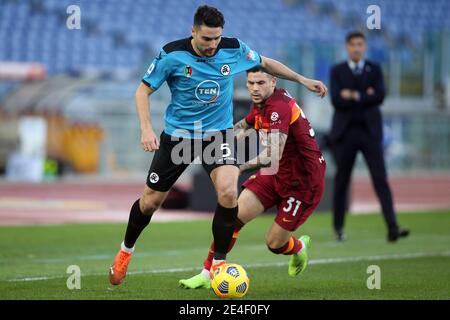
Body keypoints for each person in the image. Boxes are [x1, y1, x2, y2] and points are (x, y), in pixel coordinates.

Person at [109, 5, 327, 286]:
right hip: (180, 137)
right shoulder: (172, 54)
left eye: (216, 38)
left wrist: (301, 79)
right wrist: (146, 128)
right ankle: (126, 251)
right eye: (206, 39)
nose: (213, 45)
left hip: (217, 136)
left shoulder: (233, 48)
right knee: (151, 202)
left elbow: (266, 62)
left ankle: (219, 265)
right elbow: (143, 90)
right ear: (193, 32)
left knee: (227, 193)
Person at [179, 67, 326, 289]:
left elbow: (272, 155)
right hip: (275, 175)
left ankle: (298, 248)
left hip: (302, 183)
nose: (254, 89)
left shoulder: (278, 108)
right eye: (250, 83)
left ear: (273, 82)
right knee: (233, 218)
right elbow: (245, 125)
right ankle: (208, 273)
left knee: (274, 243)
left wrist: (237, 167)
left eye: (260, 83)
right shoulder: (261, 103)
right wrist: (216, 140)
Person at [328, 31, 409, 242]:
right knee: (342, 181)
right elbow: (337, 100)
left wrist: (353, 95)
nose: (357, 48)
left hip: (370, 133)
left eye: (360, 44)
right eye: (353, 44)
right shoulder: (337, 70)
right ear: (347, 47)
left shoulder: (375, 69)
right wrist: (366, 95)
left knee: (380, 179)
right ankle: (338, 228)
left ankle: (392, 227)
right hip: (345, 134)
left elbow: (380, 96)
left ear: (365, 47)